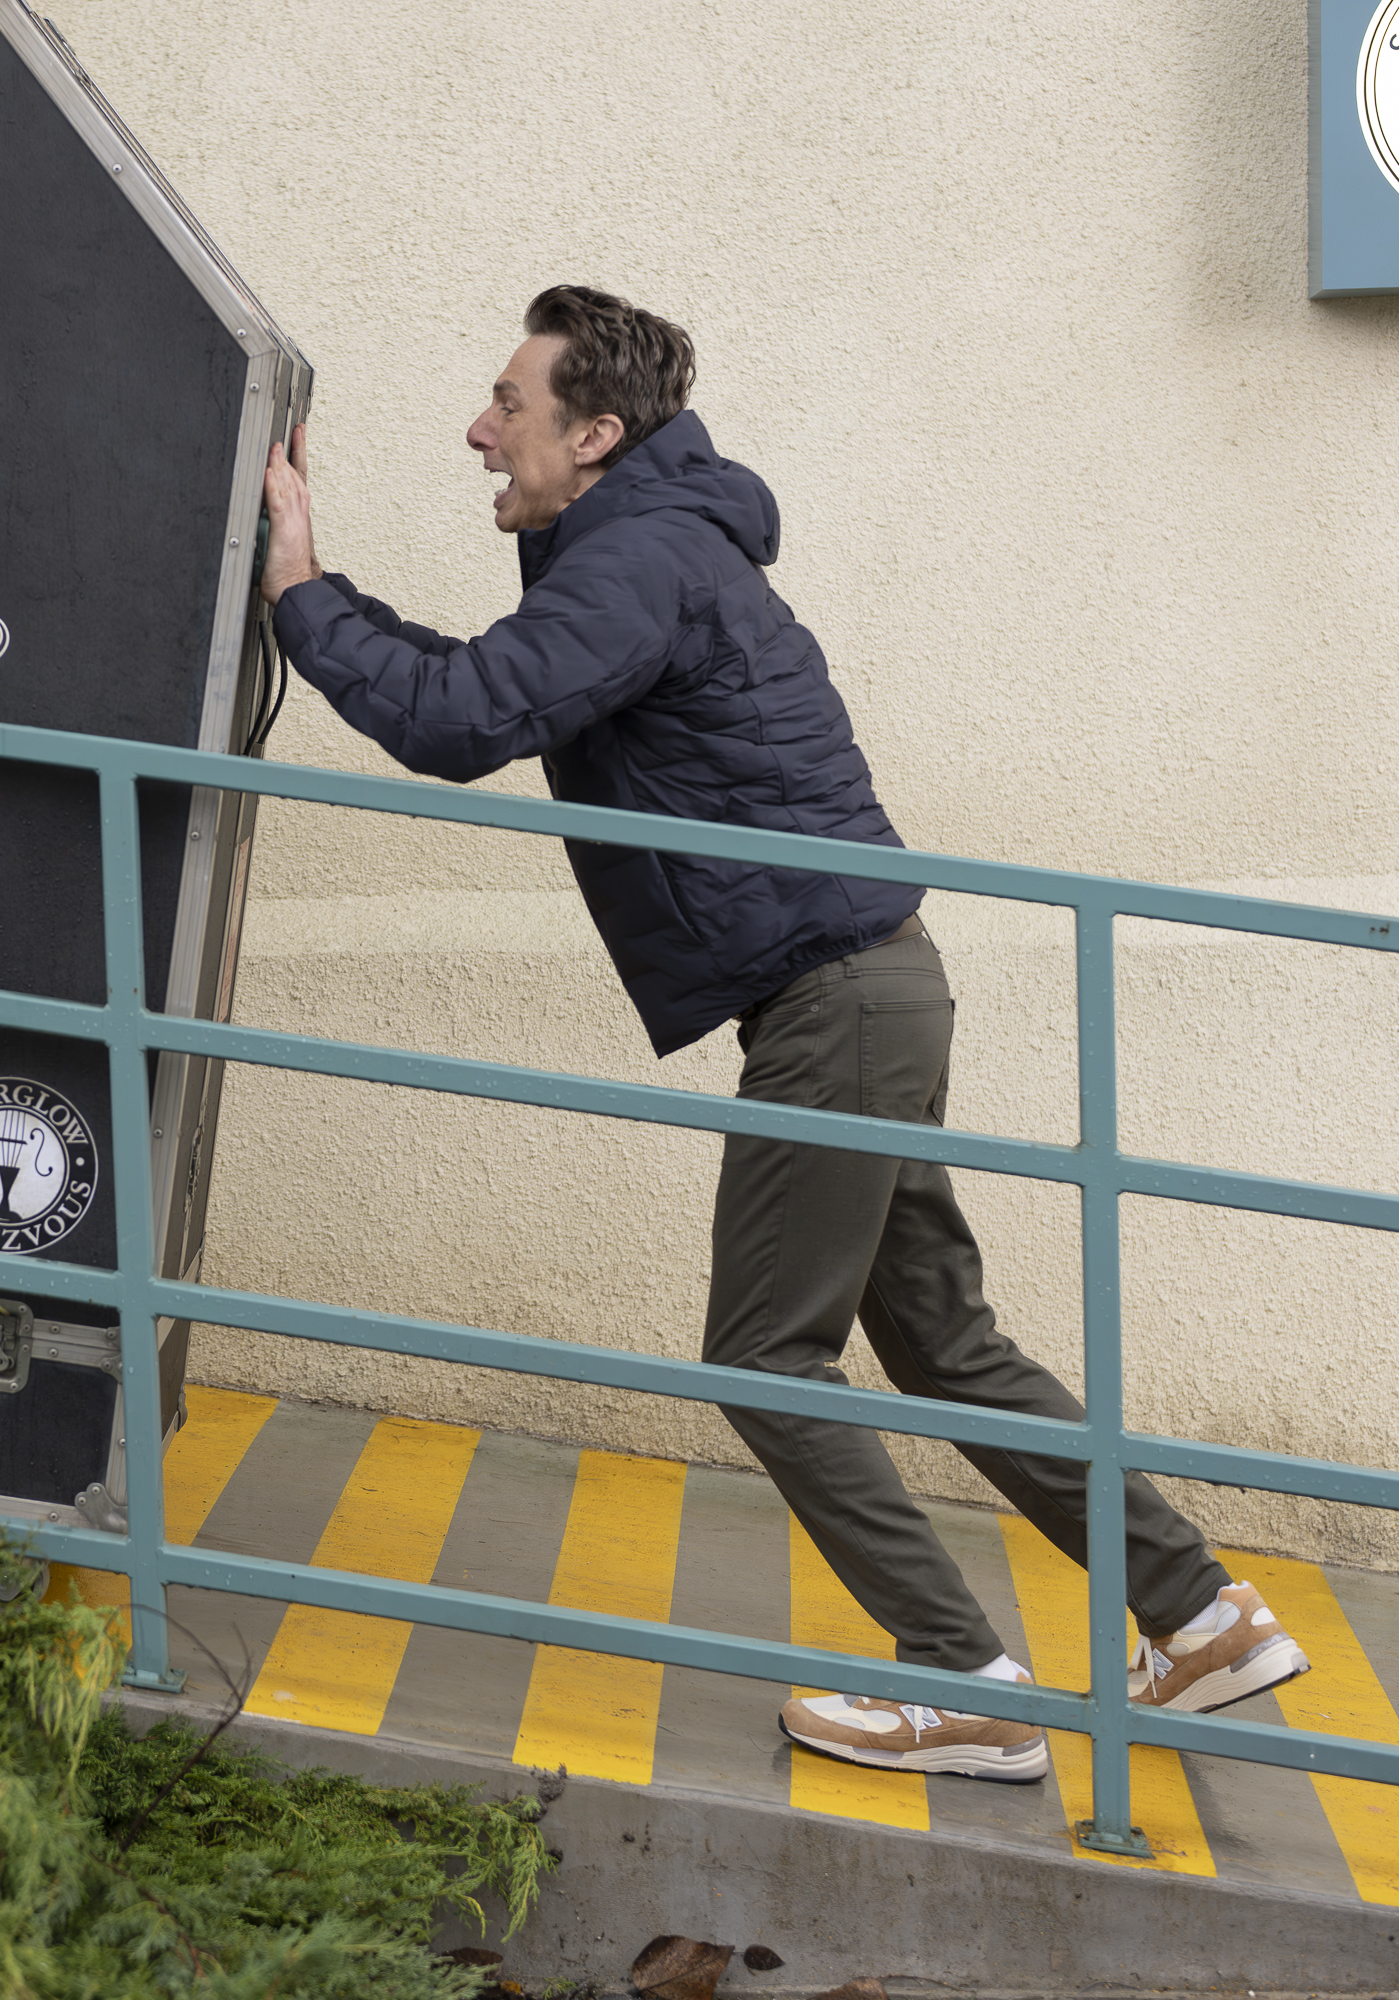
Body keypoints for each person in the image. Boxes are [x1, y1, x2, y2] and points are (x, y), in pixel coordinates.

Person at [255, 286, 1309, 1782]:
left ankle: (967, 1684)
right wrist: (318, 592)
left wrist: (299, 590)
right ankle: (1201, 1620)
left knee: (764, 1355)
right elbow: (481, 680)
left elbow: (454, 721)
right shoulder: (643, 551)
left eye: (509, 402)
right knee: (943, 1340)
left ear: (595, 433)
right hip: (872, 984)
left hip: (832, 1000)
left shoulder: (642, 561)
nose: (480, 430)